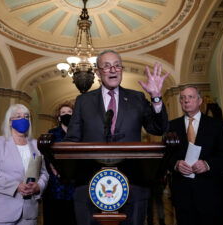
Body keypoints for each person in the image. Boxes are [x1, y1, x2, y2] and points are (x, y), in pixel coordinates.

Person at [64, 49, 169, 225]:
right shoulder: (84, 101)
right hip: (91, 182)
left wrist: (156, 97)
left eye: (117, 65)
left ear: (121, 69)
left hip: (133, 181)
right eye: (106, 66)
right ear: (97, 72)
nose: (113, 70)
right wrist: (63, 161)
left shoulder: (137, 98)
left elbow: (158, 128)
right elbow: (72, 139)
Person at [166, 85, 223, 225]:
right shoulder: (171, 126)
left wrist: (208, 165)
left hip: (210, 191)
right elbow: (166, 156)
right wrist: (176, 164)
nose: (186, 101)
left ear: (200, 101)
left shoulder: (217, 125)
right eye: (182, 98)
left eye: (190, 97)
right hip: (182, 192)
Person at [0, 104, 49, 225]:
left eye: (26, 116)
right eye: (18, 116)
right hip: (0, 212)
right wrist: (16, 186)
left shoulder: (36, 144)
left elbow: (44, 173)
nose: (23, 119)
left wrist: (38, 186)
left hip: (28, 213)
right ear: (10, 121)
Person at [43, 101, 76, 225]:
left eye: (69, 112)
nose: (66, 114)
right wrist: (54, 170)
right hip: (55, 183)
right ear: (58, 117)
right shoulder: (52, 133)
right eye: (63, 113)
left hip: (74, 183)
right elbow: (46, 156)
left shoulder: (80, 133)